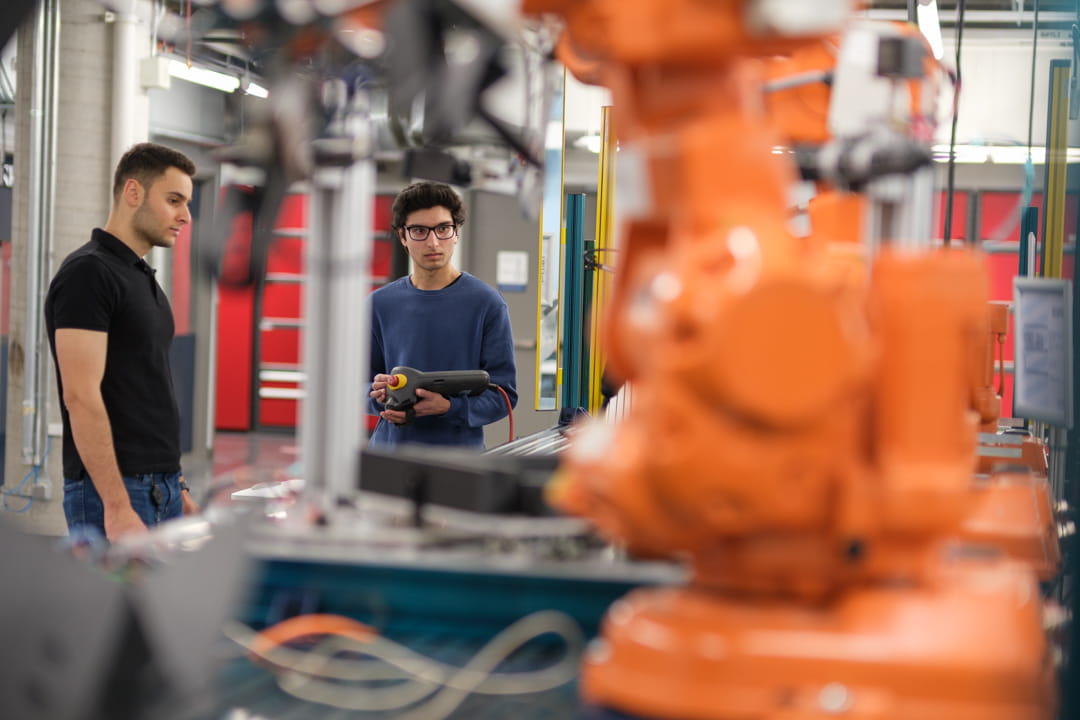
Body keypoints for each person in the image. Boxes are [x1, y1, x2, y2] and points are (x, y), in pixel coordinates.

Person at [45, 142, 200, 541]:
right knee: (111, 604)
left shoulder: (141, 277)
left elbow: (150, 387)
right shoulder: (89, 273)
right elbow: (80, 395)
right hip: (115, 491)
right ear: (133, 193)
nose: (185, 215)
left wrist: (176, 484)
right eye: (173, 200)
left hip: (159, 487)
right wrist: (116, 505)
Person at [368, 181, 517, 448]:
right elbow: (355, 385)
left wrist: (449, 407)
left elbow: (504, 395)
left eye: (443, 229)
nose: (433, 242)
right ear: (402, 236)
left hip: (458, 461)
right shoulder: (378, 304)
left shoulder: (487, 303)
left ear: (457, 232)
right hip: (391, 455)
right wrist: (377, 394)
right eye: (419, 231)